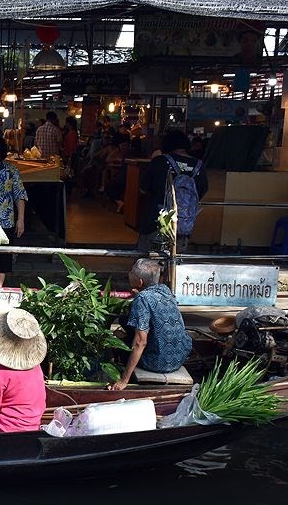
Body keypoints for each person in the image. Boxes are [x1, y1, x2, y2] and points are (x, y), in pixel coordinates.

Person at [109, 259, 192, 391]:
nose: (129, 274)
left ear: (140, 282)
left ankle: (120, 370)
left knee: (118, 335)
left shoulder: (142, 299)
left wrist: (124, 380)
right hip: (179, 358)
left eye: (131, 273)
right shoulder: (165, 290)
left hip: (158, 363)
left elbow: (140, 342)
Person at [136, 129, 208, 254]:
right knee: (174, 266)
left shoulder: (159, 161)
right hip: (183, 226)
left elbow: (143, 189)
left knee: (147, 266)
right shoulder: (199, 166)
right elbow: (201, 191)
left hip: (156, 223)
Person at [0, 134, 27, 290]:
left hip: (5, 218)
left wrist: (20, 219)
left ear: (0, 152)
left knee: (3, 256)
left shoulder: (10, 170)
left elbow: (19, 194)